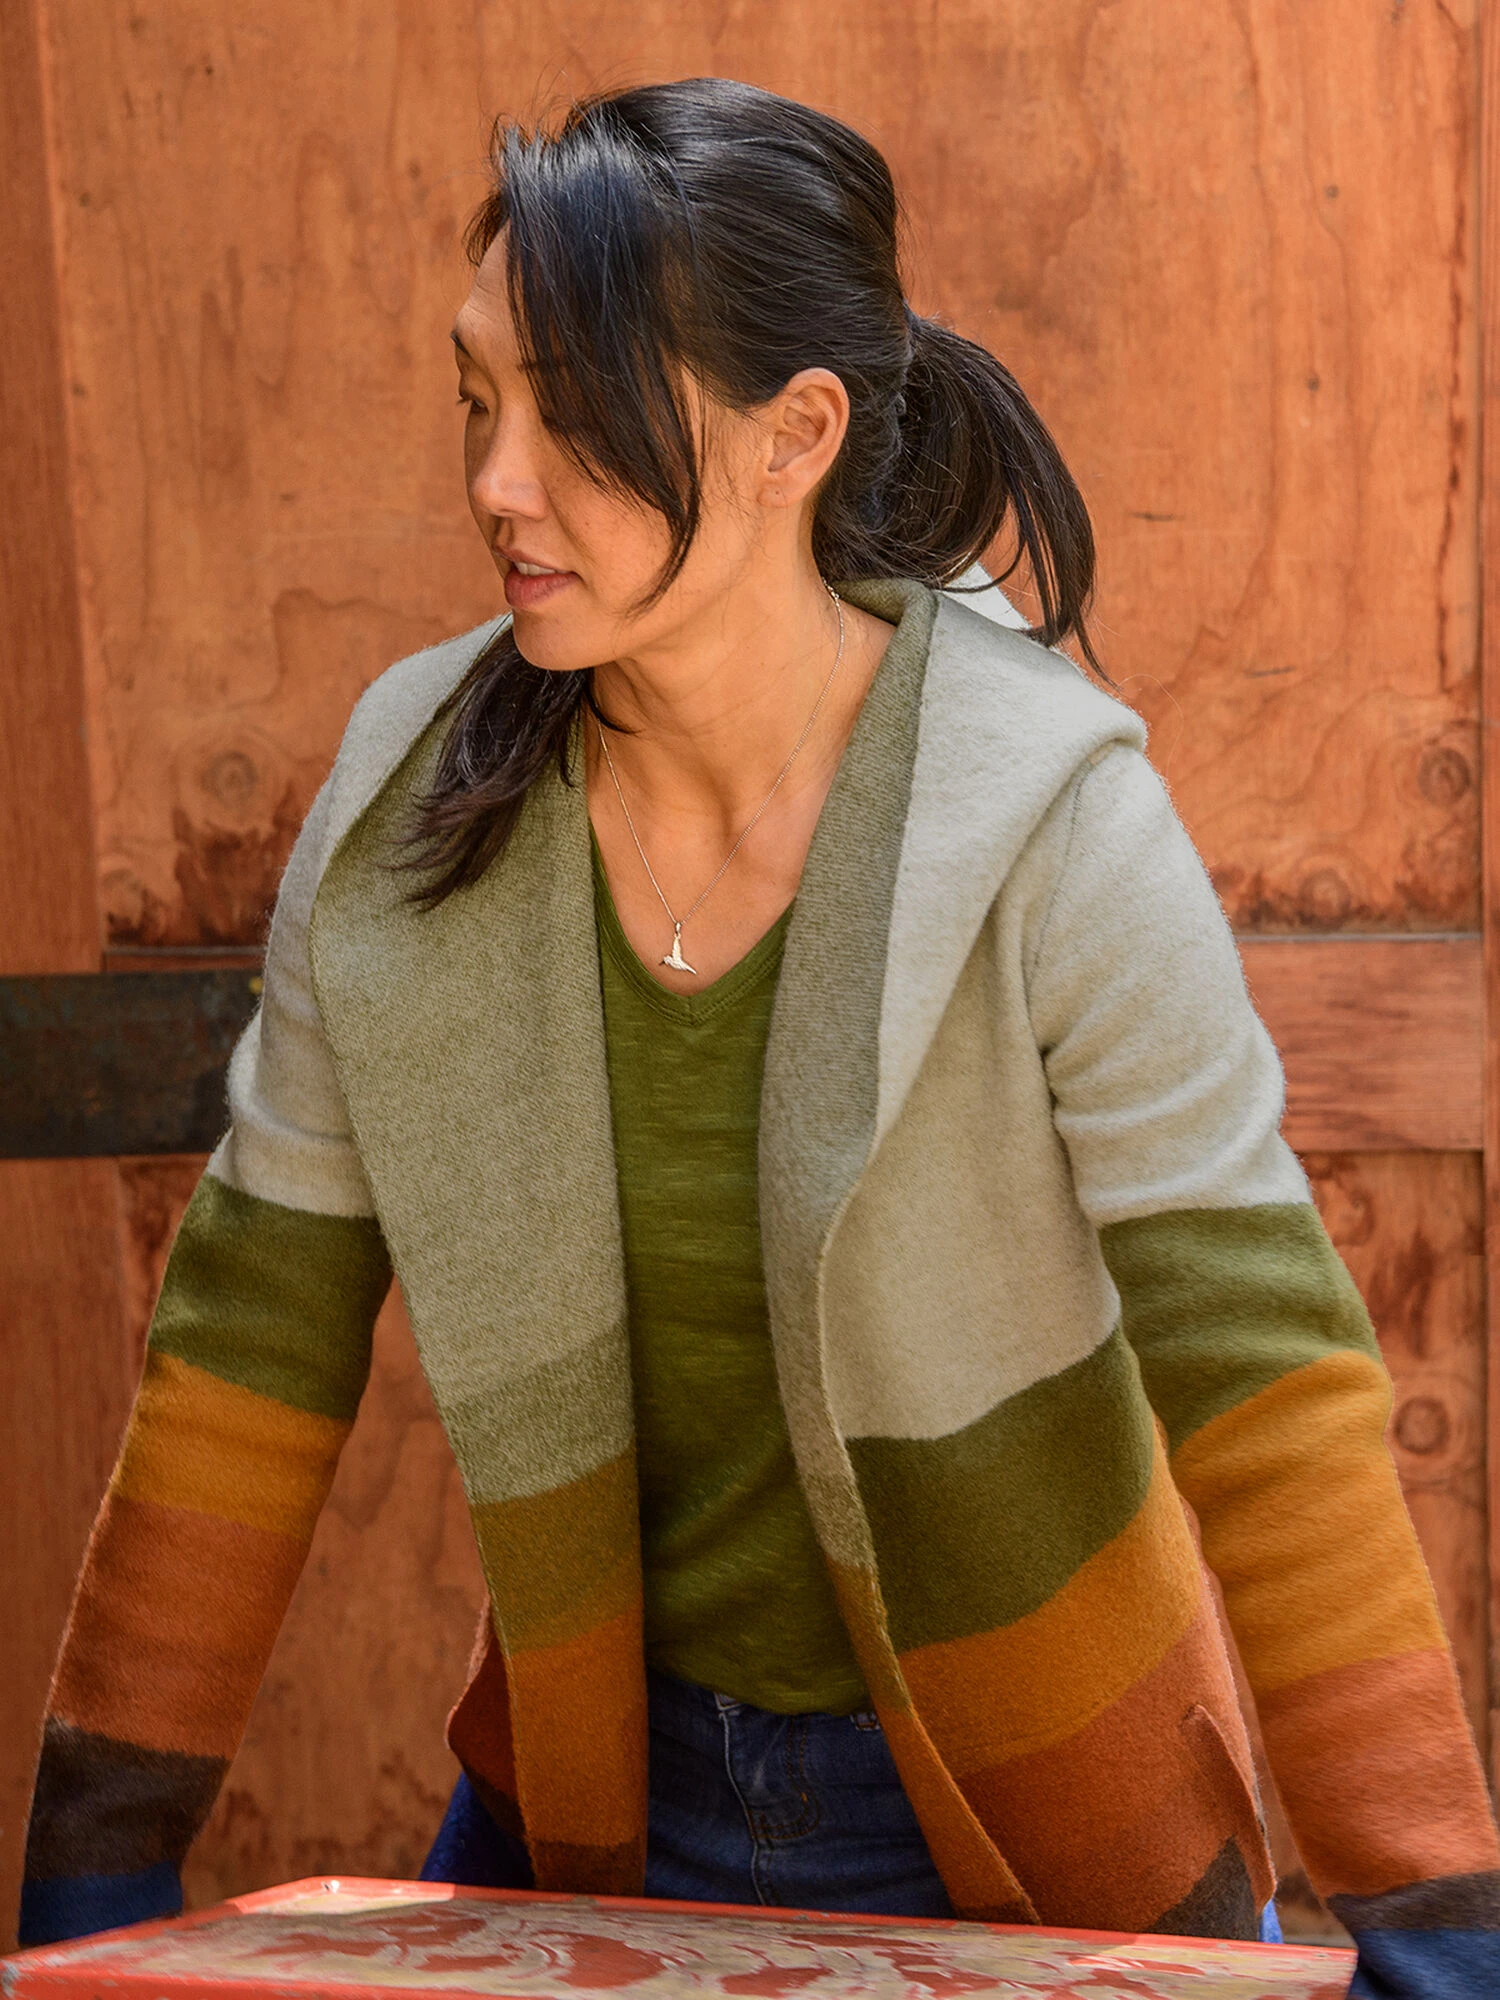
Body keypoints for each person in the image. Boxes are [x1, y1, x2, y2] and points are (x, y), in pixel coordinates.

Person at [19, 78, 1499, 1999]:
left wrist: (1440, 1927)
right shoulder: (407, 806)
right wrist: (91, 1881)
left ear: (798, 433)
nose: (497, 481)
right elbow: (245, 1355)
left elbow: (1267, 1384)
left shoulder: (1049, 816)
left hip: (1048, 1834)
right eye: (478, 399)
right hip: (591, 1812)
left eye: (577, 414)